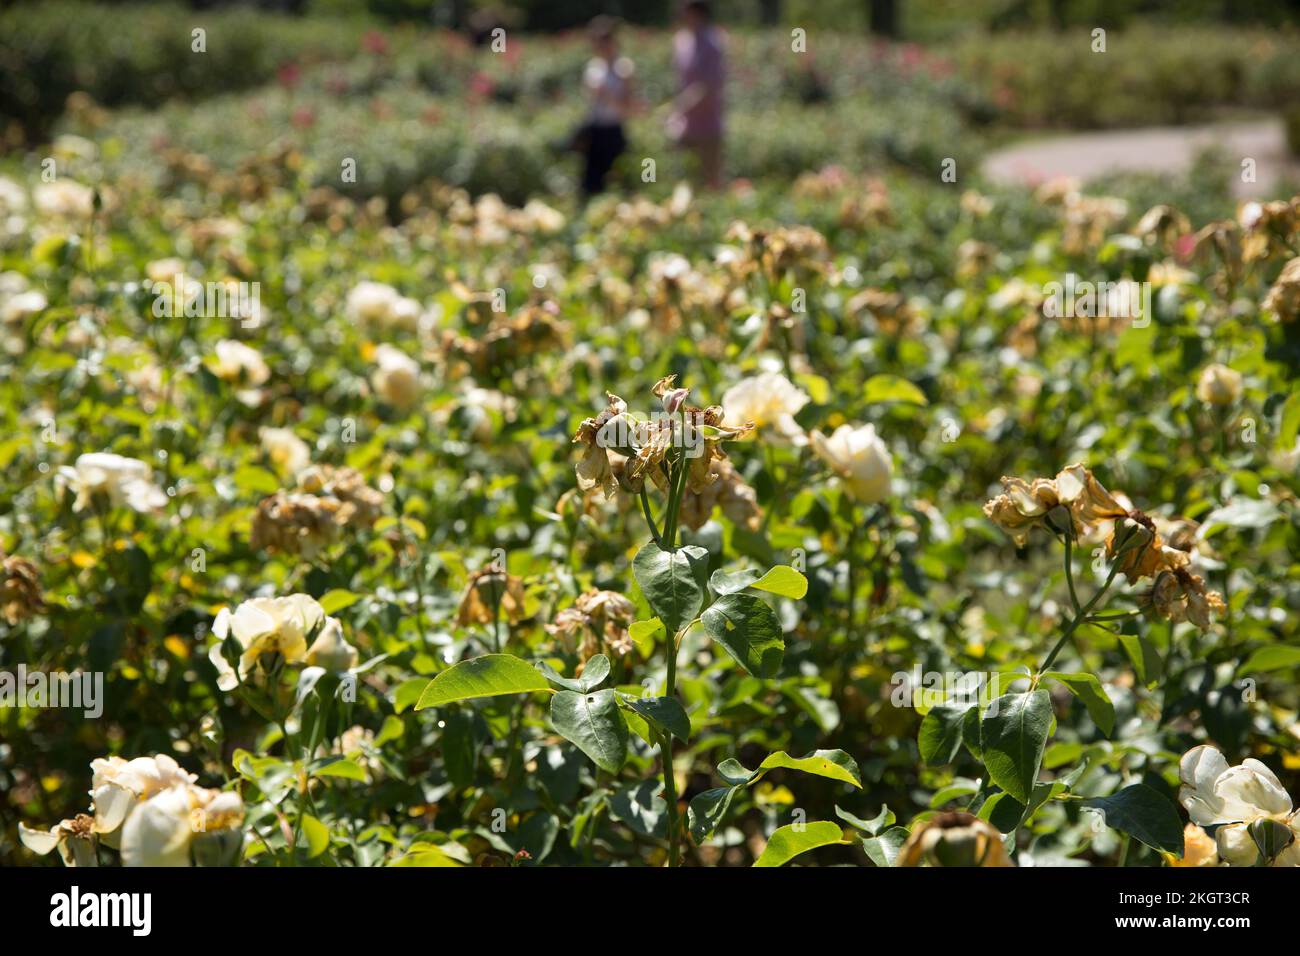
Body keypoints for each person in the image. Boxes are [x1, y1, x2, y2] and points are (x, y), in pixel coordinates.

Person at [668, 1, 725, 189]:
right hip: (685, 124)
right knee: (685, 180)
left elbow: (707, 85)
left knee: (710, 180)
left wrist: (678, 107)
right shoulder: (681, 41)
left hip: (707, 121)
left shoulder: (712, 43)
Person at [577, 15, 634, 199]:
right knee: (592, 183)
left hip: (614, 128)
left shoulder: (623, 67)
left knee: (619, 180)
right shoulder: (594, 67)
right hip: (596, 127)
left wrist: (607, 95)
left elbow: (627, 104)